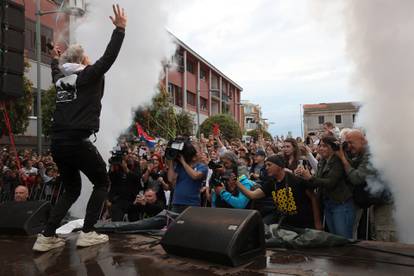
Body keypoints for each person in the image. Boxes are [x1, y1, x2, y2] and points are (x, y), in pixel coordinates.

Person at [33, 5, 127, 252]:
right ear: (82, 61)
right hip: (76, 142)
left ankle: (47, 236)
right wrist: (119, 29)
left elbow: (55, 69)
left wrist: (54, 57)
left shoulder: (61, 80)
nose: (90, 60)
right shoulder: (88, 76)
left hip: (58, 143)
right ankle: (88, 231)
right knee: (102, 182)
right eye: (87, 58)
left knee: (72, 187)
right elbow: (109, 58)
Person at [296, 136, 355, 238]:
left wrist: (310, 178)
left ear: (332, 147)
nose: (321, 148)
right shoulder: (323, 161)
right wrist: (303, 176)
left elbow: (330, 182)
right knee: (334, 238)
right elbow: (317, 180)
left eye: (324, 146)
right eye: (320, 146)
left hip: (341, 204)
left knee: (343, 239)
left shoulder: (338, 160)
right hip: (328, 204)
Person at [237, 155, 315, 228]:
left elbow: (314, 198)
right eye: (265, 165)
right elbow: (252, 195)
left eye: (269, 165)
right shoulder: (271, 183)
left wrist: (317, 223)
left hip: (304, 224)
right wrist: (237, 183)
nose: (266, 168)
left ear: (279, 166)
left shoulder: (296, 180)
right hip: (285, 223)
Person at [166, 140, 208, 213]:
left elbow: (195, 176)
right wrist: (172, 161)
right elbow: (170, 179)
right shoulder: (180, 166)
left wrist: (183, 162)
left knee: (190, 224)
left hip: (192, 203)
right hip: (177, 202)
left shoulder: (202, 167)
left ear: (200, 153)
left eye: (195, 151)